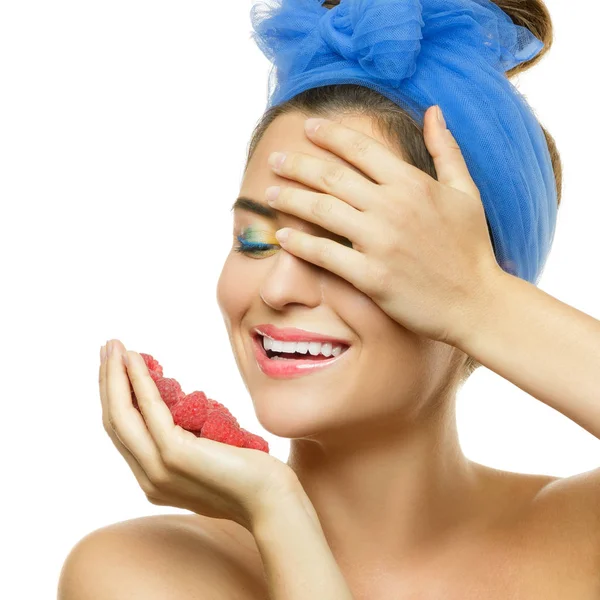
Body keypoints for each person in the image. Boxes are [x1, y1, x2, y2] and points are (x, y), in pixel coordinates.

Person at [58, 1, 600, 599]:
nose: (278, 288)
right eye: (255, 241)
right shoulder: (143, 575)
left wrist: (483, 299)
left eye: (346, 244)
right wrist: (278, 512)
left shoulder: (582, 538)